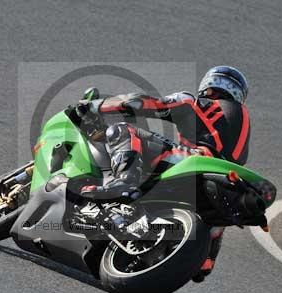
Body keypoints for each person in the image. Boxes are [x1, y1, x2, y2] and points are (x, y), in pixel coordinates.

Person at [75, 65, 251, 276]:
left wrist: (97, 106)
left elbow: (142, 103)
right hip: (218, 178)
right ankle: (204, 256)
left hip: (195, 159)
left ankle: (123, 181)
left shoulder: (198, 103)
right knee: (217, 210)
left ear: (209, 85)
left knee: (124, 130)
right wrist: (205, 256)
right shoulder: (242, 128)